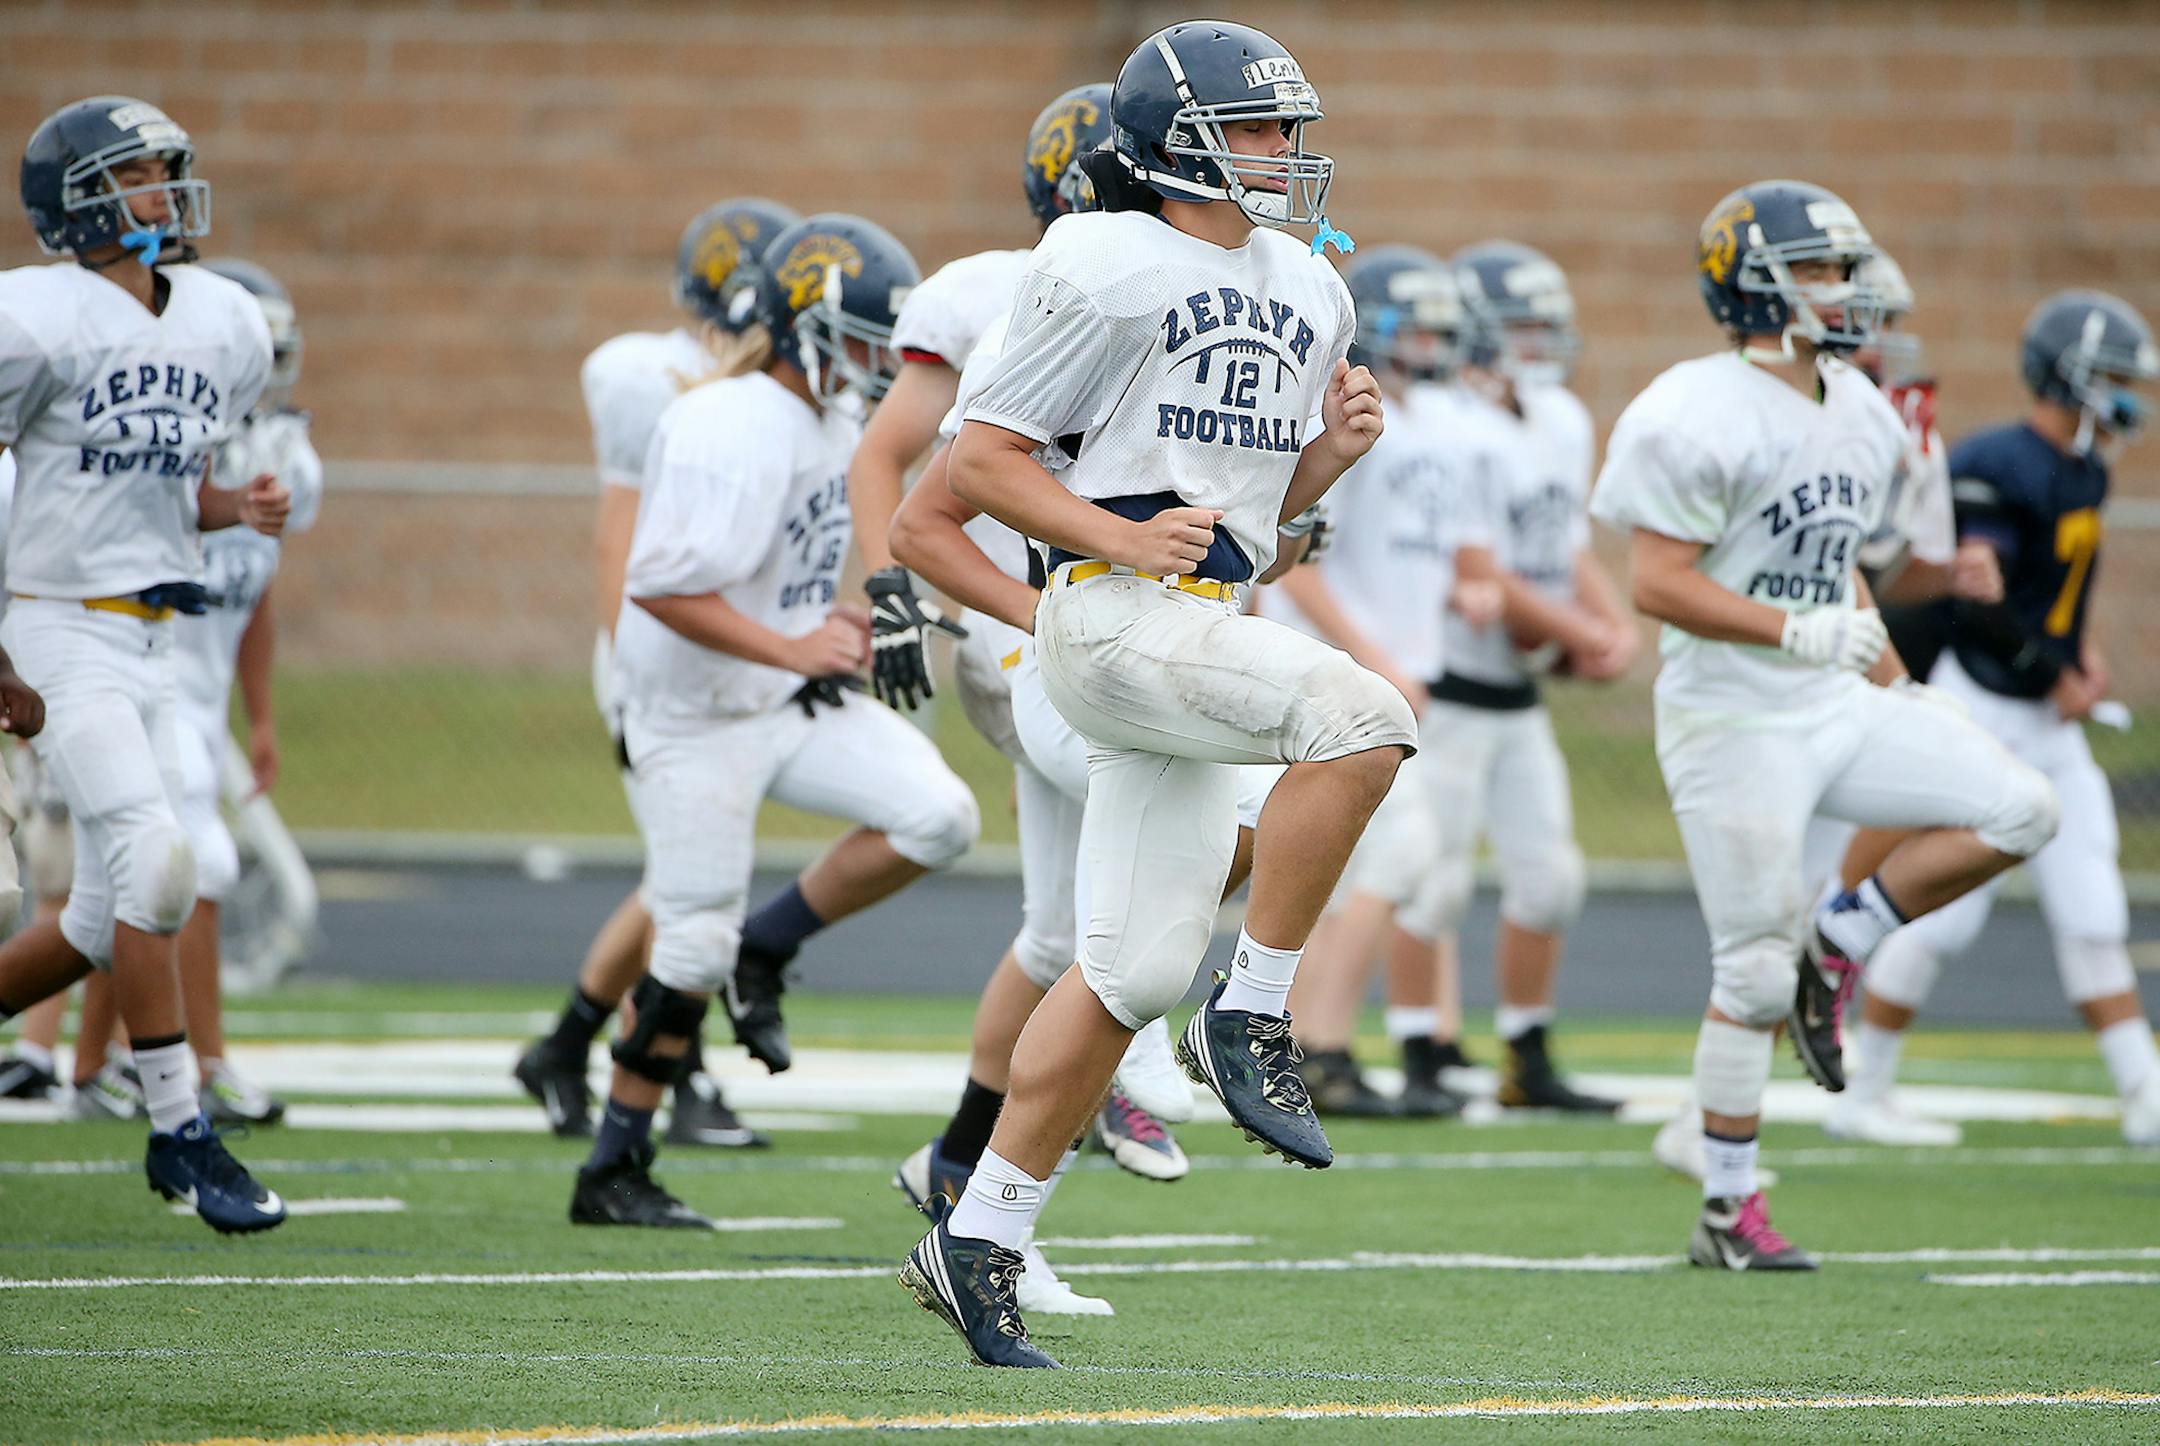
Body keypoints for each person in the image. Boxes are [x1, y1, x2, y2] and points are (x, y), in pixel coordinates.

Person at [900, 21, 1413, 1368]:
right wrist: (1115, 539)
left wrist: (1331, 464)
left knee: (1120, 968)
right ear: (1175, 139)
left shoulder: (1309, 284)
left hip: (1196, 626)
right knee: (1367, 716)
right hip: (1110, 618)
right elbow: (979, 471)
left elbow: (1247, 525)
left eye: (1290, 129)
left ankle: (978, 1233)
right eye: (1258, 129)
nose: (1286, 155)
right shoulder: (1099, 257)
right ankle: (1255, 1004)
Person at [1589, 178, 2059, 1270]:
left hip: (1833, 700)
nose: (1843, 289)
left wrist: (1896, 683)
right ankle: (1727, 1211)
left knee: (2019, 808)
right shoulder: (1692, 406)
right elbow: (1654, 582)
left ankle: (1841, 940)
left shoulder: (1858, 409)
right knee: (1751, 971)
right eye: (1817, 268)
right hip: (1730, 718)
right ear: (1754, 284)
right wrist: (1787, 634)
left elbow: (1838, 558)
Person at [571, 212, 981, 1227]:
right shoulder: (729, 420)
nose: (877, 366)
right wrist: (796, 646)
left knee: (939, 814)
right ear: (802, 326)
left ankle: (769, 945)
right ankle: (613, 1163)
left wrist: (817, 622)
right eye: (861, 342)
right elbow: (661, 589)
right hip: (693, 713)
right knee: (688, 944)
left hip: (776, 694)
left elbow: (770, 578)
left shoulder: (834, 423)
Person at [854, 87, 1195, 1190]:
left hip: (1115, 616)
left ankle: (960, 1172)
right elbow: (901, 468)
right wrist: (890, 589)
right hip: (1019, 619)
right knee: (1160, 799)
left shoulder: (1188, 292)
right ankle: (1134, 1043)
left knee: (1053, 936)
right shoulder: (1010, 295)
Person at [0, 96, 291, 1232]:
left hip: (154, 633)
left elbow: (159, 489)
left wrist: (236, 507)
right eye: (138, 176)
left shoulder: (217, 319)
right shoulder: (33, 316)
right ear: (78, 202)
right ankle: (181, 1134)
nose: (164, 192)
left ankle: (175, 1121)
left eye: (166, 170)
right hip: (59, 623)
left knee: (93, 926)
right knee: (162, 861)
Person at [1828, 289, 2160, 1148]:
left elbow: (2054, 599)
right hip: (1984, 703)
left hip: (2047, 716)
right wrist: (2052, 673)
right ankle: (1869, 1087)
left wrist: (2073, 660)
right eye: (2113, 377)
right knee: (1941, 918)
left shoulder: (2087, 466)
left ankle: (2144, 1092)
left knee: (2091, 902)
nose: (2127, 393)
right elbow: (1982, 606)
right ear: (2068, 376)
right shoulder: (1996, 464)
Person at [515, 197, 798, 1149]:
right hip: (664, 662)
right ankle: (674, 1079)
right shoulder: (655, 377)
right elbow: (621, 540)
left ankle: (565, 1046)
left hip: (719, 658)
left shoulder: (763, 389)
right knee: (689, 885)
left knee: (674, 878)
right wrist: (641, 672)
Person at [1401, 241, 1637, 1113]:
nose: (1542, 341)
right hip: (1453, 687)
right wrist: (1582, 632)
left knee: (1550, 879)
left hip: (1519, 690)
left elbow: (1561, 550)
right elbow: (1486, 576)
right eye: (1525, 325)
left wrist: (1610, 625)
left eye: (1548, 323)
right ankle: (1421, 1047)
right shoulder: (1451, 426)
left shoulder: (1561, 419)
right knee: (1434, 880)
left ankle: (1525, 1054)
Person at [1268, 244, 1479, 1118]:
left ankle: (1307, 1043)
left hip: (1389, 675)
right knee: (1398, 854)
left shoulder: (1437, 422)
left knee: (1380, 867)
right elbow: (1299, 557)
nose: (1431, 341)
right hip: (1338, 672)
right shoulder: (1349, 413)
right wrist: (1377, 658)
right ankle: (1311, 1045)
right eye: (1415, 323)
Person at [163, 256, 324, 1126]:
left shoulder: (281, 454)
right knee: (199, 867)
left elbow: (253, 593)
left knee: (128, 890)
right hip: (134, 675)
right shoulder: (158, 442)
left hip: (196, 702)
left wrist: (258, 717)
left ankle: (91, 1065)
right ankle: (199, 1066)